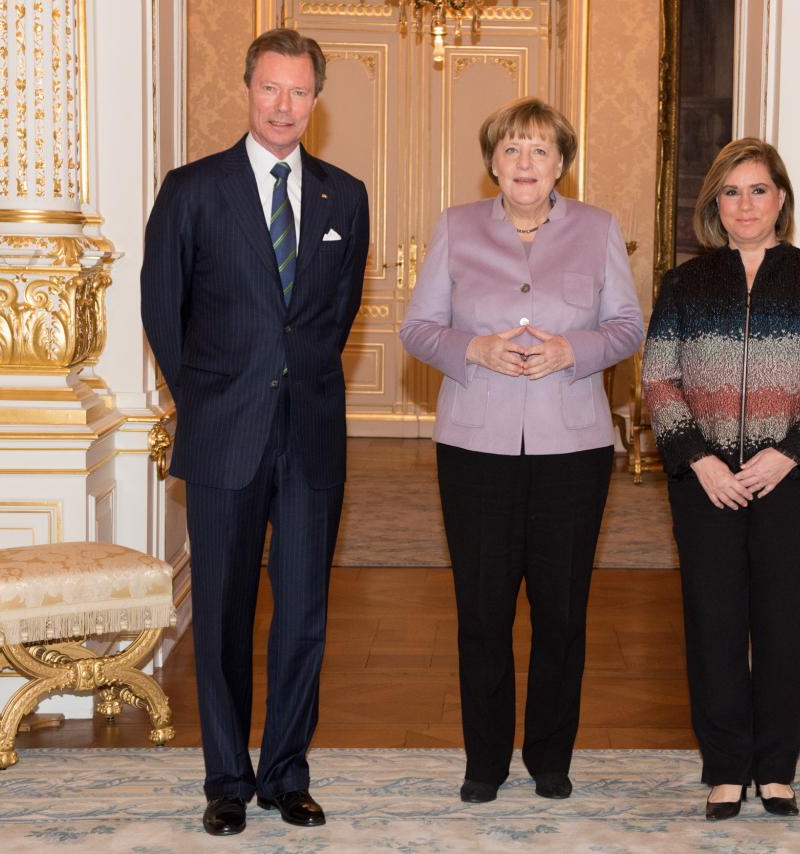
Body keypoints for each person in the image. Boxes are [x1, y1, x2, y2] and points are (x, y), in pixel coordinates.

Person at [140, 28, 369, 837]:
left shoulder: (347, 196)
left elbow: (333, 318)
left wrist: (291, 378)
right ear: (249, 90)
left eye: (300, 92)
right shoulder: (192, 189)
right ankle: (227, 781)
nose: (284, 106)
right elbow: (162, 313)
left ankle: (285, 774)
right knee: (226, 615)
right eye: (271, 88)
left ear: (317, 100)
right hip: (223, 434)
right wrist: (203, 400)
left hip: (309, 434)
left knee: (304, 613)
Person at [400, 97, 643, 804]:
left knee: (562, 611)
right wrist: (472, 348)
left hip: (574, 448)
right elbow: (418, 330)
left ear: (562, 162)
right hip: (475, 446)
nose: (525, 163)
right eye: (511, 150)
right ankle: (485, 761)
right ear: (492, 164)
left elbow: (628, 326)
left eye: (539, 150)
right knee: (482, 610)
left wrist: (577, 349)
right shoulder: (456, 227)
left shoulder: (598, 230)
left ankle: (550, 758)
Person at [642, 138, 800, 820]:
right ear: (715, 205)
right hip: (703, 480)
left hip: (793, 480)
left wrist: (788, 452)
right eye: (731, 193)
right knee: (713, 621)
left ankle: (776, 768)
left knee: (783, 622)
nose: (745, 205)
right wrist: (700, 459)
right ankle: (726, 768)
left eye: (758, 190)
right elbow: (657, 376)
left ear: (781, 199)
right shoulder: (684, 283)